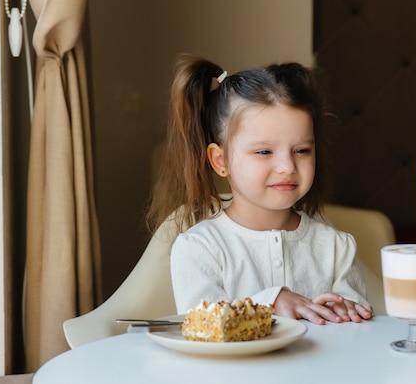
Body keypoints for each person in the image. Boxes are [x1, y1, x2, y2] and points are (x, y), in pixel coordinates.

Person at [147, 54, 373, 325]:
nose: (286, 166)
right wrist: (270, 302)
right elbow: (202, 324)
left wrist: (347, 311)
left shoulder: (335, 247)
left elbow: (357, 329)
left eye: (301, 150)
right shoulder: (199, 247)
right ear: (221, 161)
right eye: (264, 151)